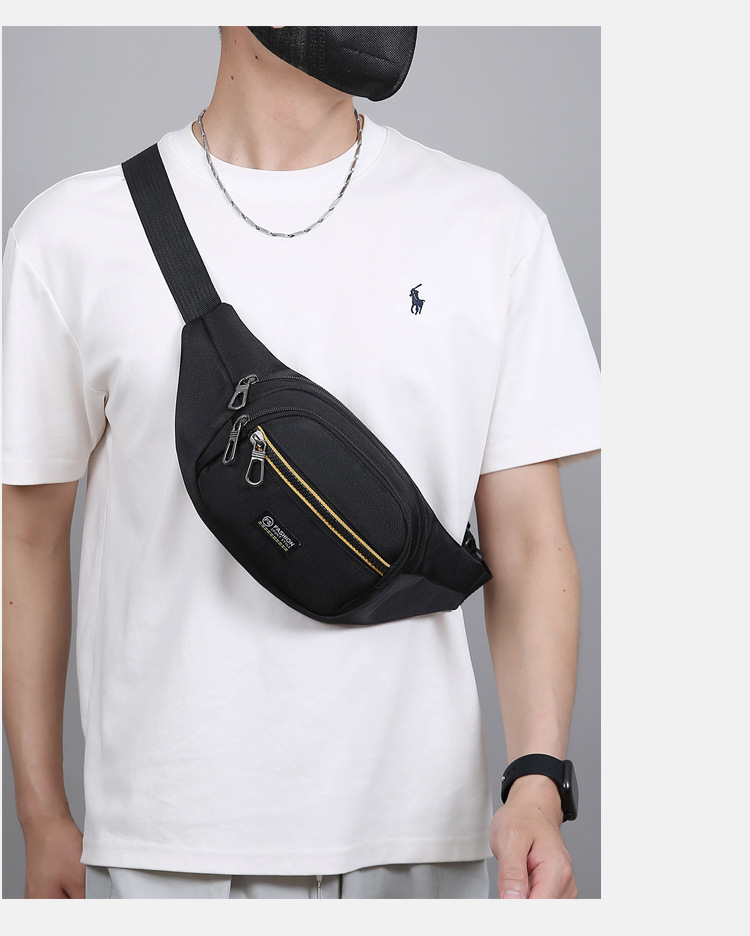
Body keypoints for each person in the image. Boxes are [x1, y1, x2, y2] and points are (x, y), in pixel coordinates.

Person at [2, 27, 601, 899]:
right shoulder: (73, 236)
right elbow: (26, 540)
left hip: (420, 838)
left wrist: (537, 784)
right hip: (165, 845)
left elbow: (531, 543)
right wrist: (41, 813)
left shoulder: (491, 227)